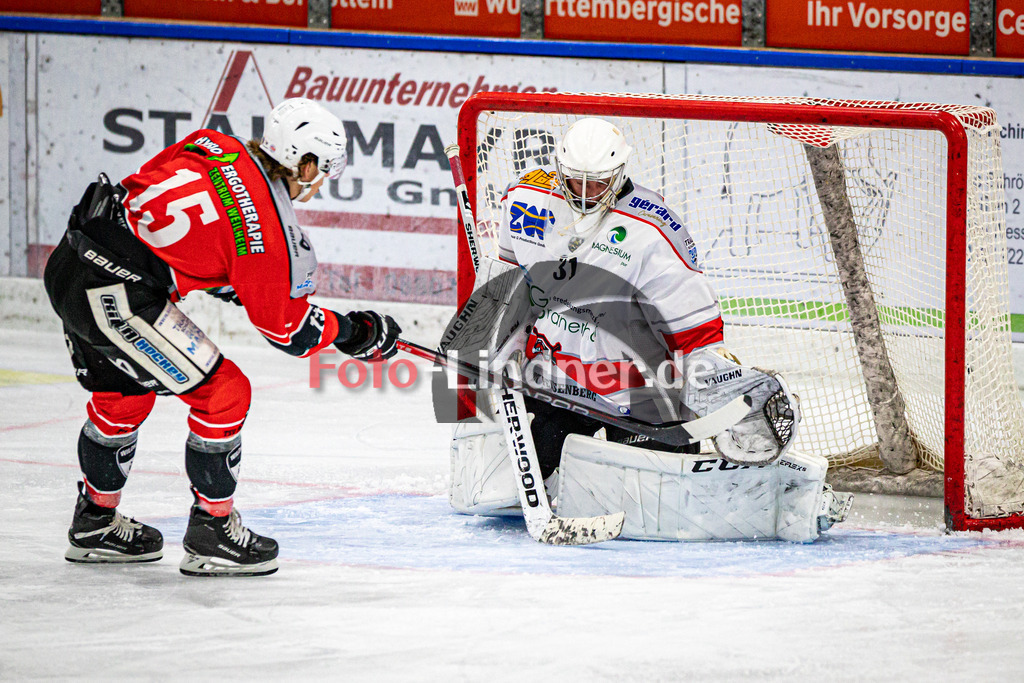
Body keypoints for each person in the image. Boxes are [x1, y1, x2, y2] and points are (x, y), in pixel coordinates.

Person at [448, 117, 851, 541]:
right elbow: (509, 283)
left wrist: (718, 388)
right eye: (574, 181)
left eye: (598, 184)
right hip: (555, 383)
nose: (585, 194)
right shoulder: (526, 199)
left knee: (655, 510)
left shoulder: (654, 233)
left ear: (619, 175)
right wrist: (498, 342)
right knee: (494, 494)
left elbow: (696, 336)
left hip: (639, 392)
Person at [44, 98, 400, 576]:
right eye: (325, 169)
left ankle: (95, 524)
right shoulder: (269, 233)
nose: (322, 182)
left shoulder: (214, 144)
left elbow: (149, 198)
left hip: (72, 259)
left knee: (121, 398)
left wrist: (225, 276)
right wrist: (354, 332)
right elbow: (289, 330)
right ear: (306, 163)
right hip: (116, 294)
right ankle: (212, 532)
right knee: (226, 393)